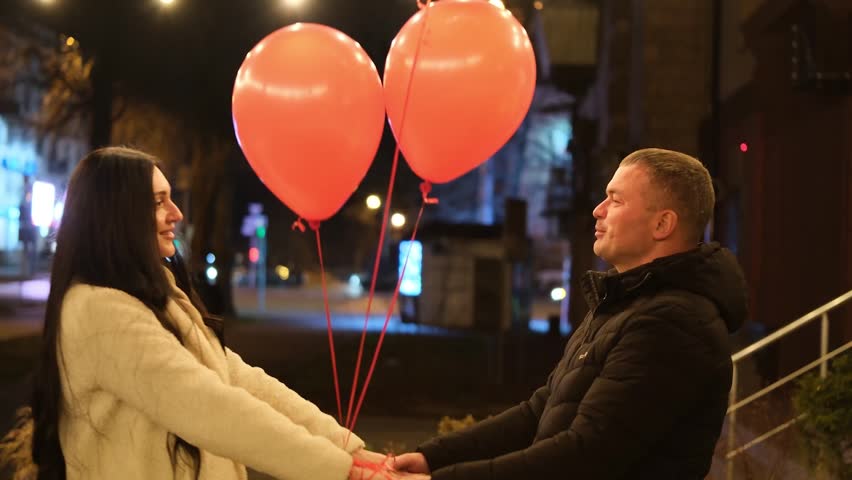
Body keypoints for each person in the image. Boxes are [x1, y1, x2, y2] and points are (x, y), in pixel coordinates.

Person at [0, 147, 384, 480]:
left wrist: (347, 449)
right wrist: (339, 469)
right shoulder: (101, 312)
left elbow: (239, 379)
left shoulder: (152, 298)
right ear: (116, 217)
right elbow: (209, 406)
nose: (176, 213)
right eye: (157, 201)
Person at [392, 148, 748, 479]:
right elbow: (540, 412)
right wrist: (432, 458)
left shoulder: (673, 324)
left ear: (662, 225)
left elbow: (585, 455)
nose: (598, 209)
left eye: (616, 199)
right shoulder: (624, 304)